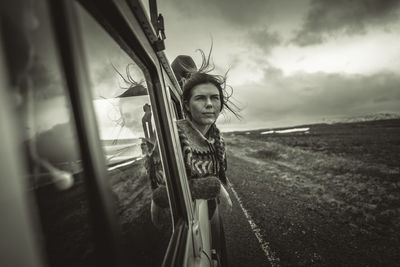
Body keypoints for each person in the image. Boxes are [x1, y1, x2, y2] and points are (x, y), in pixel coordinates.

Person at [150, 50, 239, 236]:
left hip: (208, 209)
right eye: (200, 98)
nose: (209, 104)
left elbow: (218, 171)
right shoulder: (172, 136)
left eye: (215, 98)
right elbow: (162, 193)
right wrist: (215, 186)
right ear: (186, 105)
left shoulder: (217, 137)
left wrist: (218, 185)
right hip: (187, 222)